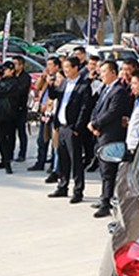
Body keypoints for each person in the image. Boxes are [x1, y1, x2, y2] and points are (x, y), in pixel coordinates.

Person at [88, 60, 132, 218]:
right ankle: (104, 197)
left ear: (113, 73)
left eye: (104, 71)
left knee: (108, 170)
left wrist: (96, 123)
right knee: (103, 169)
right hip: (101, 133)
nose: (101, 74)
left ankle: (106, 203)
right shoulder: (105, 89)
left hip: (111, 135)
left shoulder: (119, 91)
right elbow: (97, 108)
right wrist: (93, 122)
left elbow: (113, 112)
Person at [47, 56, 92, 204]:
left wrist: (77, 128)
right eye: (64, 67)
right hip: (61, 126)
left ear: (75, 68)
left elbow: (85, 109)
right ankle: (62, 186)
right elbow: (54, 96)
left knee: (76, 161)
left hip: (73, 128)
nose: (65, 70)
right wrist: (51, 85)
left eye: (67, 67)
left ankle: (78, 190)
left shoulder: (84, 85)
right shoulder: (64, 82)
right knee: (63, 159)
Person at [30, 57, 61, 175]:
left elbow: (55, 96)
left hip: (52, 112)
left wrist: (48, 105)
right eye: (47, 64)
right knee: (42, 139)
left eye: (51, 65)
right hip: (44, 113)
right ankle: (40, 161)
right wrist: (43, 77)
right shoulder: (47, 77)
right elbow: (37, 87)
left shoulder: (59, 78)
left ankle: (54, 164)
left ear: (57, 66)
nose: (48, 67)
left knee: (54, 140)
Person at [11, 56, 31, 162]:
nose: (13, 66)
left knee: (21, 132)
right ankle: (10, 153)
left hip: (21, 107)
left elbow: (20, 91)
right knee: (10, 133)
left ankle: (22, 153)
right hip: (11, 108)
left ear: (21, 65)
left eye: (15, 64)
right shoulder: (11, 75)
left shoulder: (25, 77)